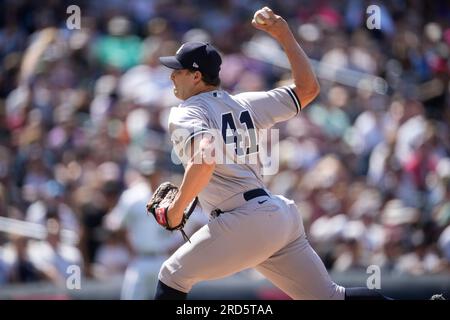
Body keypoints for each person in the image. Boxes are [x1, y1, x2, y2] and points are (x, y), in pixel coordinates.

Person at [153, 7, 394, 300]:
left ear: (196, 76)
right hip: (279, 216)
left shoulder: (186, 112)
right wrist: (284, 33)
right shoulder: (246, 103)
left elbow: (206, 156)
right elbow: (308, 89)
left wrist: (177, 209)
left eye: (177, 71)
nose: (171, 77)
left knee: (172, 276)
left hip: (242, 220)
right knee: (330, 297)